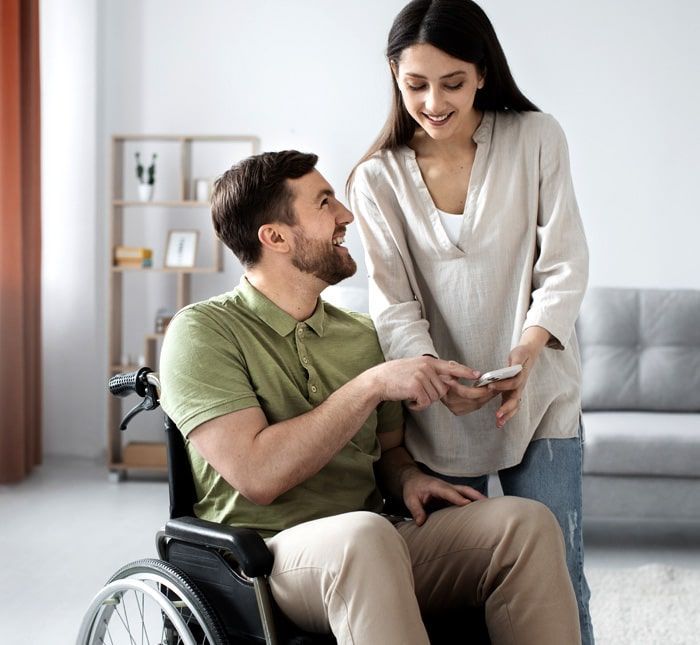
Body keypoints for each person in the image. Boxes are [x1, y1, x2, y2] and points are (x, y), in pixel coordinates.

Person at [159, 150, 581, 644]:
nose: (346, 214)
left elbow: (390, 453)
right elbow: (258, 476)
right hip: (263, 561)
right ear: (275, 237)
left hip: (375, 539)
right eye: (324, 203)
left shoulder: (361, 335)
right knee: (366, 536)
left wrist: (407, 481)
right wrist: (371, 384)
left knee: (524, 524)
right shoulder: (202, 332)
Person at [347, 1, 593, 642]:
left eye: (452, 83)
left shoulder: (538, 137)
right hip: (440, 409)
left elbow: (564, 262)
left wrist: (531, 348)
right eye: (415, 84)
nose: (433, 102)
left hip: (536, 394)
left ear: (483, 72)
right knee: (457, 591)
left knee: (559, 575)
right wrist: (432, 375)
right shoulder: (376, 179)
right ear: (394, 78)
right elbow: (392, 302)